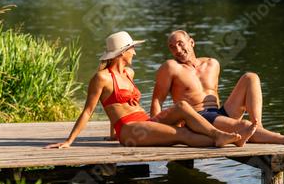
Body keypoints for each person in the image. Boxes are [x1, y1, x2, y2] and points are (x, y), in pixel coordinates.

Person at [46, 31, 257, 149]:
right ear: (122, 53)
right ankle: (221, 137)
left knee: (182, 106)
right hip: (130, 130)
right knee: (181, 135)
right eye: (132, 49)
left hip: (146, 123)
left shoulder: (129, 74)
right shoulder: (101, 78)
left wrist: (110, 133)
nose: (135, 53)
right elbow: (89, 111)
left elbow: (117, 104)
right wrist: (69, 141)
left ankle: (222, 135)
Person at [151, 30, 284, 150]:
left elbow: (214, 93)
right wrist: (155, 129)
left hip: (218, 113)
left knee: (251, 77)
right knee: (243, 125)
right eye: (172, 47)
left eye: (181, 44)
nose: (178, 50)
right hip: (198, 118)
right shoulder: (171, 67)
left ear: (191, 42)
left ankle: (258, 129)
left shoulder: (212, 63)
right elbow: (157, 100)